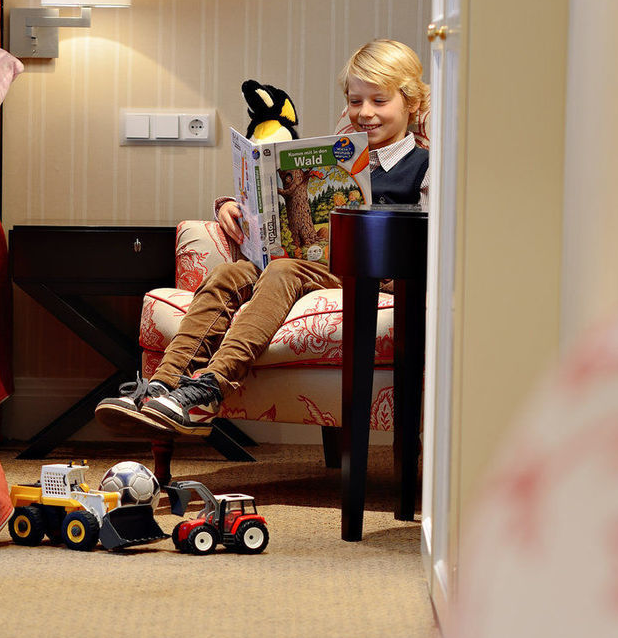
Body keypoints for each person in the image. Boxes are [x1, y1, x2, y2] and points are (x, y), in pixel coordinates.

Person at [96, 40, 430, 436]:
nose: (365, 113)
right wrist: (230, 206)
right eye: (356, 101)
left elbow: (430, 235)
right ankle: (162, 387)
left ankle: (210, 386)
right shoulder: (334, 157)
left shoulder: (424, 166)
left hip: (370, 273)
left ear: (410, 103)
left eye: (379, 100)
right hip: (313, 262)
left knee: (285, 270)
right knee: (230, 273)